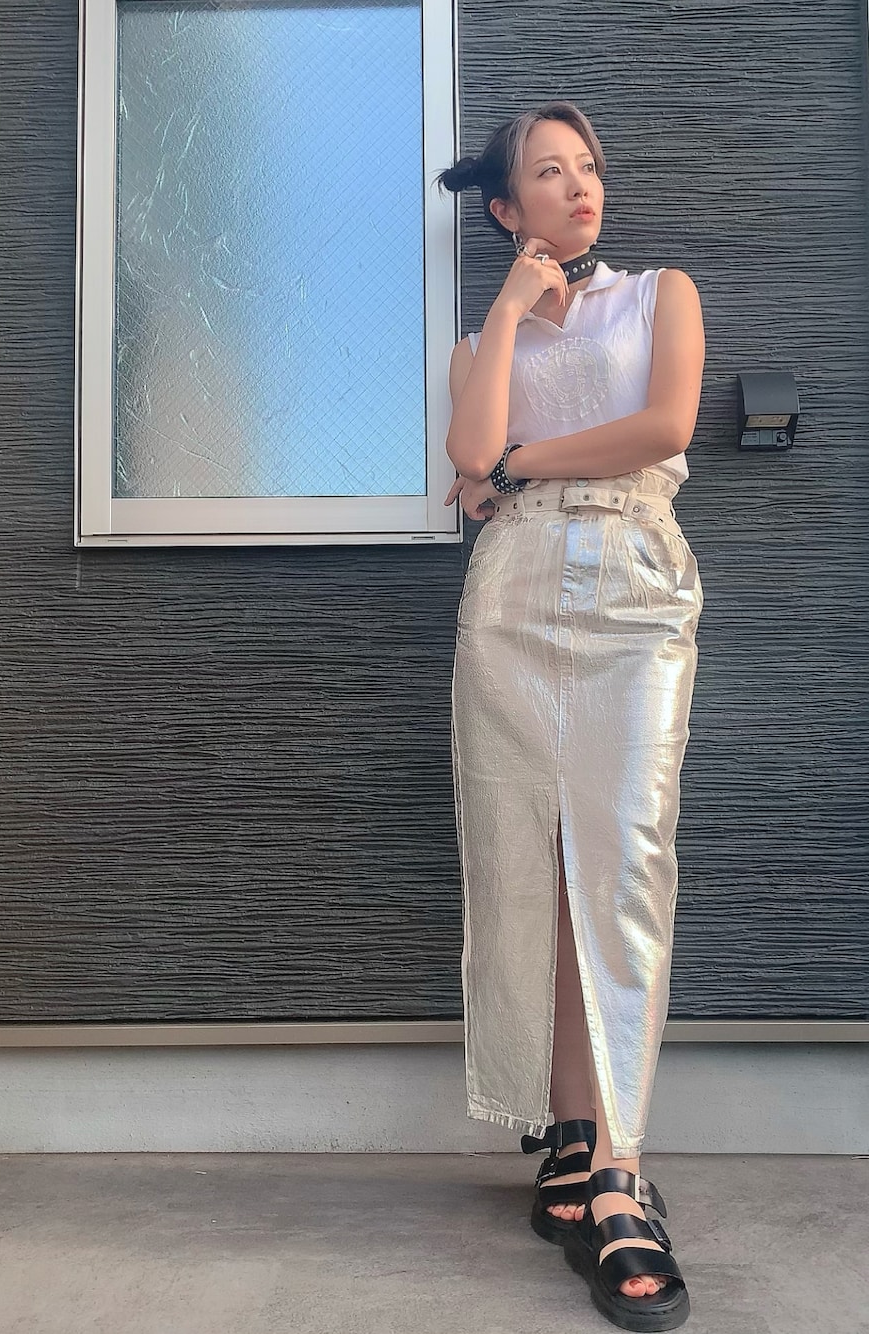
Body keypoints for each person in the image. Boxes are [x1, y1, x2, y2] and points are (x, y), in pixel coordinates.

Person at [438, 102, 705, 1332]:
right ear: (508, 209)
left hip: (633, 585)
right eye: (549, 172)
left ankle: (620, 1171)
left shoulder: (659, 295)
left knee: (625, 857)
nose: (580, 184)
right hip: (511, 598)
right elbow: (468, 444)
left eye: (588, 165)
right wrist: (505, 313)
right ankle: (568, 1131)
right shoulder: (477, 337)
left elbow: (662, 429)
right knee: (532, 864)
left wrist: (514, 466)